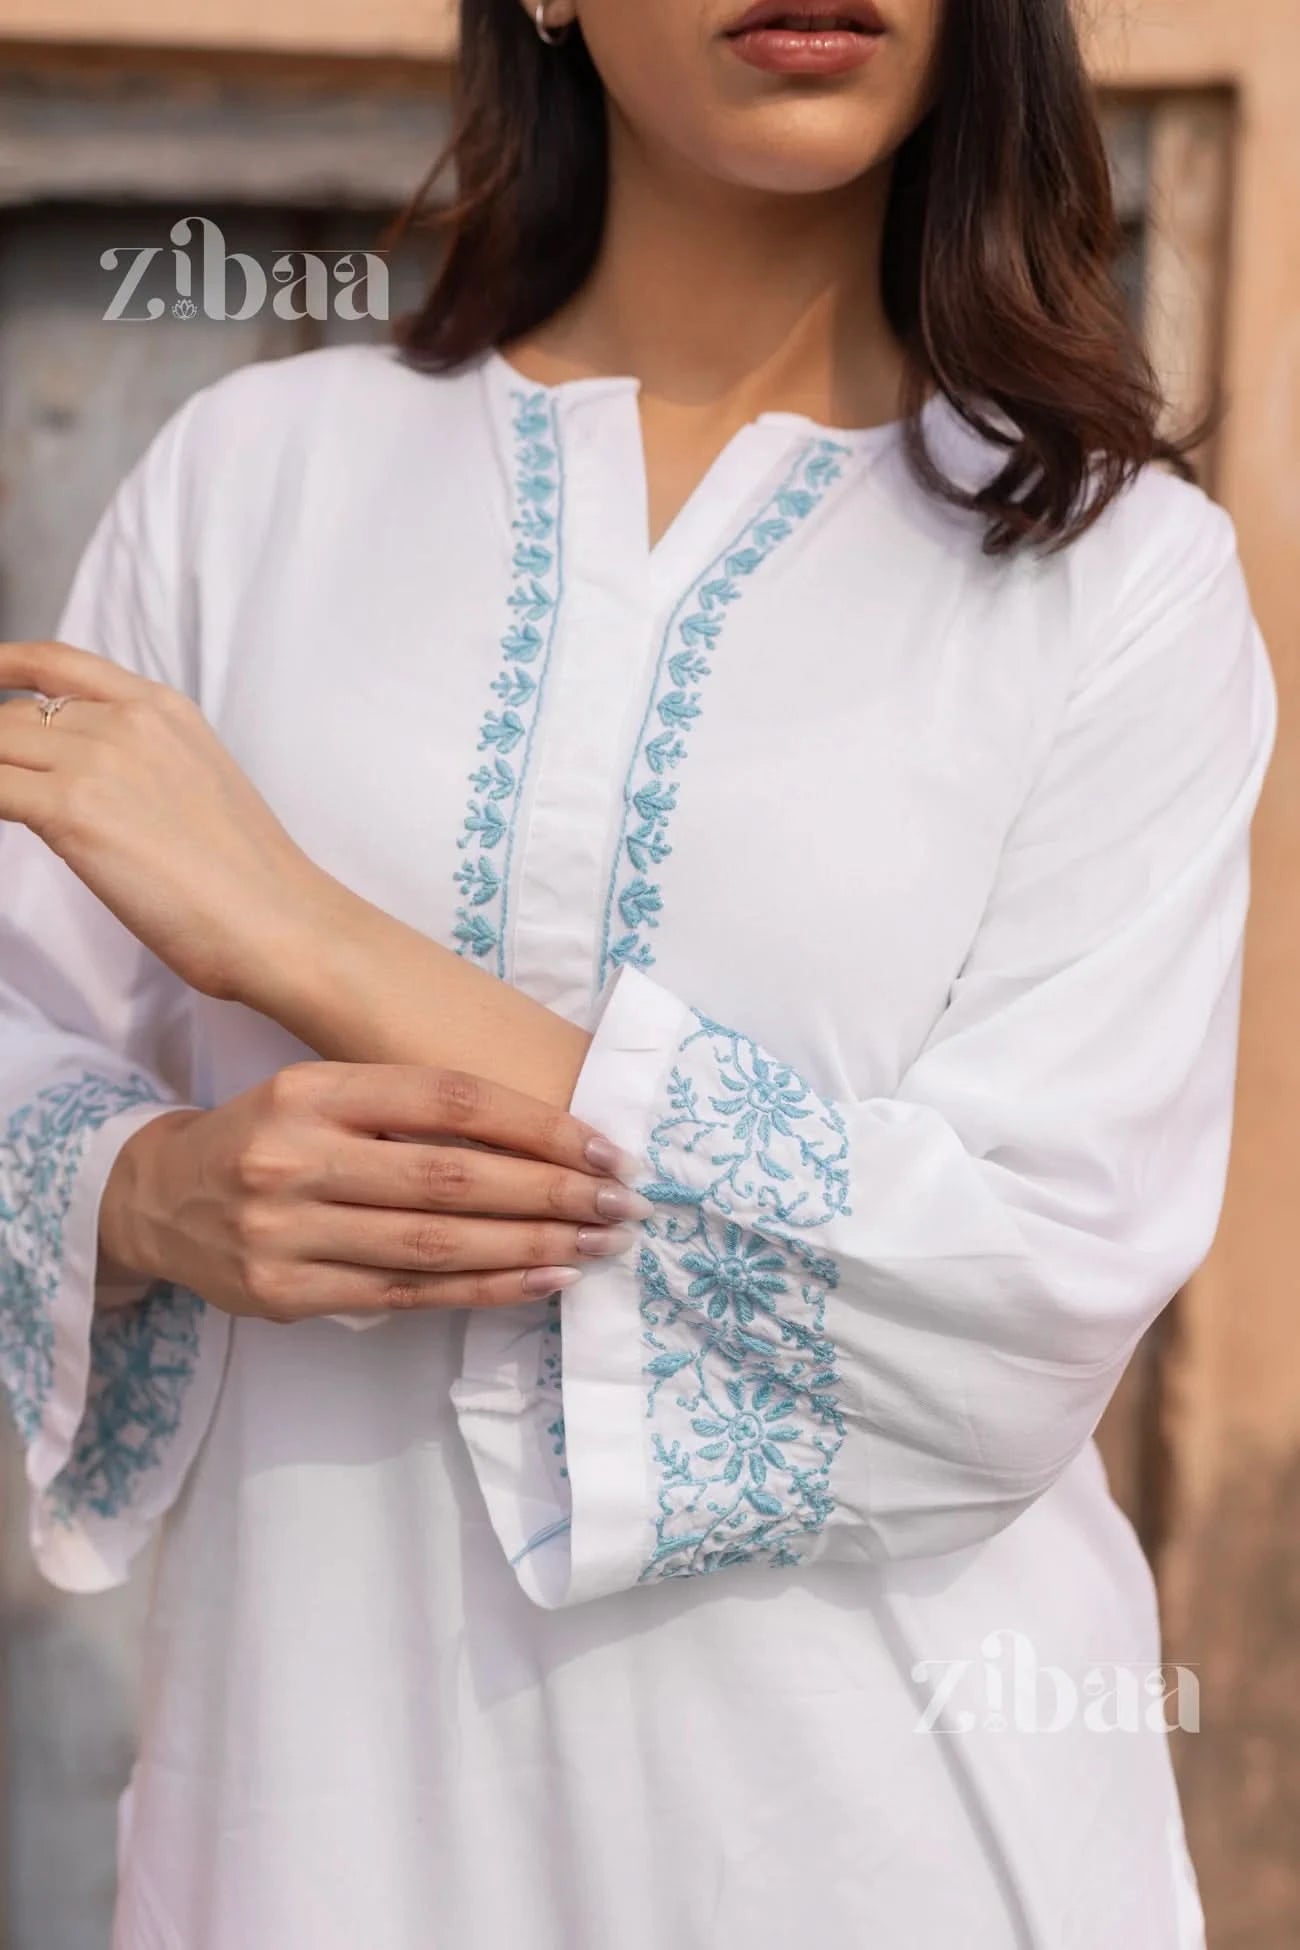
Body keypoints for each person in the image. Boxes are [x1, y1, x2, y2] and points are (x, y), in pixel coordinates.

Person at [0, 1, 1278, 1944]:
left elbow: (1018, 1302)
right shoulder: (249, 483)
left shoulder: (1121, 582)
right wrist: (144, 1193)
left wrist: (307, 935)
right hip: (322, 1821)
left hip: (878, 1853)